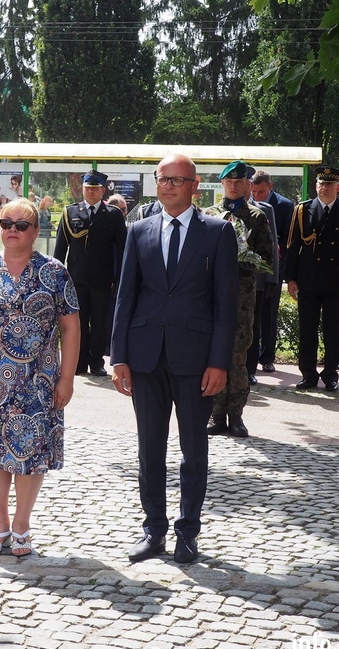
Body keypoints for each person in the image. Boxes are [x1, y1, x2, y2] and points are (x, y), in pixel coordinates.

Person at [111, 153, 238, 565]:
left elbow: (226, 304)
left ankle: (188, 532)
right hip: (145, 358)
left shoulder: (218, 233)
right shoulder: (139, 230)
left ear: (194, 185)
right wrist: (119, 356)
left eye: (177, 180)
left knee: (193, 450)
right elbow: (125, 296)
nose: (168, 186)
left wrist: (220, 363)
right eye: (162, 179)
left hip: (195, 360)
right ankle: (154, 530)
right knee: (150, 450)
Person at [0, 198, 80, 558]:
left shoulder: (54, 272)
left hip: (38, 381)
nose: (12, 230)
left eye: (21, 225)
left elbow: (70, 327)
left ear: (36, 232)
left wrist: (66, 378)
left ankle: (22, 524)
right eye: (6, 223)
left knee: (30, 453)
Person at [203, 161, 273, 438]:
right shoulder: (208, 215)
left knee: (237, 356)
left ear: (247, 185)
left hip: (241, 296)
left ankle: (236, 416)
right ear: (222, 184)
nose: (234, 185)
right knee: (212, 355)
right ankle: (215, 414)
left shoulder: (257, 217)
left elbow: (268, 258)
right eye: (229, 181)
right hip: (209, 297)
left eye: (239, 181)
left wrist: (245, 259)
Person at [284, 166, 339, 392]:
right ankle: (308, 374)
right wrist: (290, 278)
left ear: (338, 187)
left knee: (332, 331)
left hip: (335, 282)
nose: (324, 188)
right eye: (321, 184)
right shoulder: (302, 210)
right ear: (315, 186)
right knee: (307, 330)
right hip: (307, 280)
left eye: (329, 185)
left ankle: (330, 375)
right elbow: (292, 246)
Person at [54, 169, 127, 376]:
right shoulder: (71, 213)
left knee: (100, 323)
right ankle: (79, 362)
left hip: (103, 280)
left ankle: (96, 362)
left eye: (95, 189)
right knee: (77, 322)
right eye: (87, 188)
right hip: (75, 279)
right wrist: (57, 279)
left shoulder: (112, 215)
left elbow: (122, 251)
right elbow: (60, 248)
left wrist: (119, 278)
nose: (90, 192)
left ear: (103, 190)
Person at [250, 169, 295, 373]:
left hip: (273, 265)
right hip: (249, 267)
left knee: (268, 313)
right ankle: (248, 356)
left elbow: (290, 237)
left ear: (270, 186)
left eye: (261, 192)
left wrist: (277, 248)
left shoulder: (284, 206)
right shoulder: (247, 203)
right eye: (254, 191)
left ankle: (267, 356)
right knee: (250, 315)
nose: (257, 196)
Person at [244, 165, 279, 385]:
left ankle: (249, 369)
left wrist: (272, 279)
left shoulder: (265, 211)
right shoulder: (216, 211)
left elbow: (271, 248)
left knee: (253, 326)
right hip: (224, 283)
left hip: (254, 281)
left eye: (245, 182)